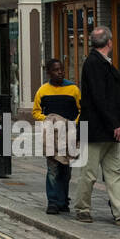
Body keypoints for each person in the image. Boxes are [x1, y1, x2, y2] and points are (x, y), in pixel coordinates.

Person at [76, 27, 120, 226]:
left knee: (115, 172)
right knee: (88, 173)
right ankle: (82, 209)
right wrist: (116, 124)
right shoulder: (93, 63)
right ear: (109, 43)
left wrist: (119, 123)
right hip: (96, 129)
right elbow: (99, 98)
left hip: (109, 129)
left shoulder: (101, 62)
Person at [33, 59, 81, 215]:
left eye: (61, 69)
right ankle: (52, 202)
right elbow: (36, 112)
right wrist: (48, 120)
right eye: (55, 70)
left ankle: (63, 201)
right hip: (52, 135)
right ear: (48, 72)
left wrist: (73, 123)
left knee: (66, 170)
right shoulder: (43, 91)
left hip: (69, 134)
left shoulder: (73, 89)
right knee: (53, 169)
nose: (60, 72)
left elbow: (82, 109)